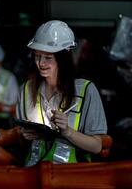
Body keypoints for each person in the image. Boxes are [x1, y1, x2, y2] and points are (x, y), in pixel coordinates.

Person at [16, 20, 108, 166]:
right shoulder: (26, 90)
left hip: (70, 177)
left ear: (63, 59)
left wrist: (67, 131)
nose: (40, 63)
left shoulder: (86, 90)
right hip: (34, 174)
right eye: (37, 56)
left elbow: (97, 146)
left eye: (48, 58)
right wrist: (24, 135)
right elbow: (20, 142)